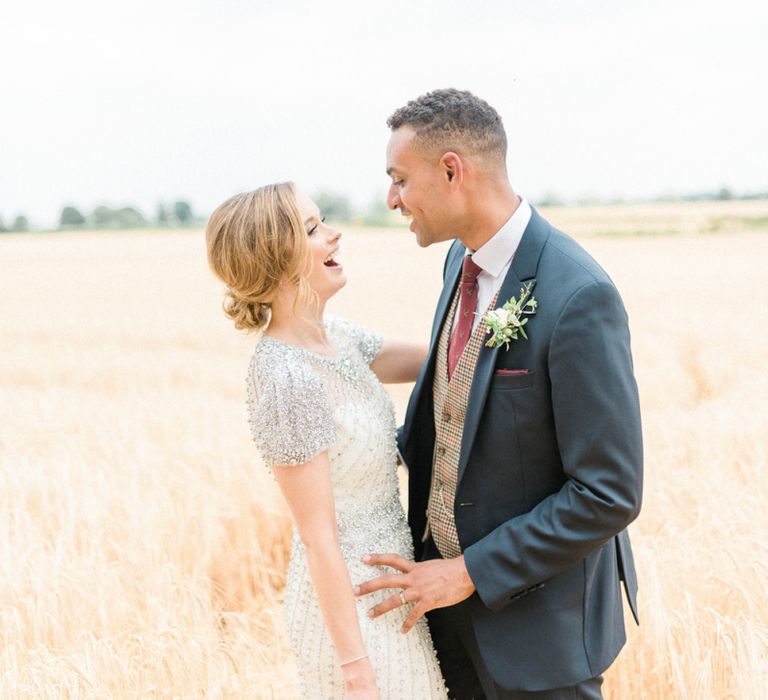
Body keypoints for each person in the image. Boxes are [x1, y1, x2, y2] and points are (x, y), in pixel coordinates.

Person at [354, 89, 643, 699]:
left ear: (452, 170)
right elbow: (455, 415)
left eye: (400, 179)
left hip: (541, 636)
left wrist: (465, 573)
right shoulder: (459, 261)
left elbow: (608, 492)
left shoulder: (578, 295)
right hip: (442, 622)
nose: (392, 199)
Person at [204, 183, 448, 699]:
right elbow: (318, 537)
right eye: (313, 229)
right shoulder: (285, 378)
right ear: (277, 257)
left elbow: (440, 361)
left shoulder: (339, 337)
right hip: (349, 610)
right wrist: (355, 665)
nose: (335, 234)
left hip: (394, 591)